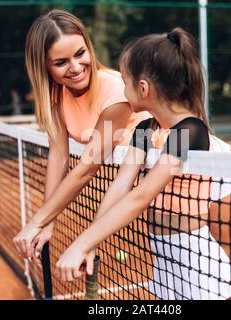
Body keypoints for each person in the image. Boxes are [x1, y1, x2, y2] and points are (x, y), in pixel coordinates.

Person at [56, 28, 231, 300]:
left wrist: (80, 243)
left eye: (125, 82)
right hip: (165, 262)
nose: (121, 89)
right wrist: (90, 242)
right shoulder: (144, 128)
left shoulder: (189, 132)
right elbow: (121, 186)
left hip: (199, 264)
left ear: (142, 88)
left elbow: (141, 196)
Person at [13, 9, 151, 261]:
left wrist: (37, 221)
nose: (75, 67)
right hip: (131, 173)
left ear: (89, 47)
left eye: (80, 53)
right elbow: (58, 157)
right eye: (60, 62)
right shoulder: (54, 97)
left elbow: (87, 167)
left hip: (168, 165)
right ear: (44, 66)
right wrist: (48, 223)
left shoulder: (116, 94)